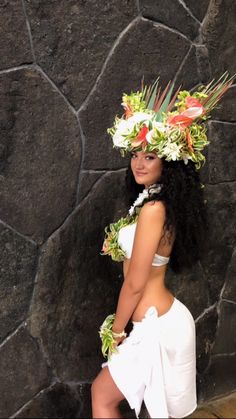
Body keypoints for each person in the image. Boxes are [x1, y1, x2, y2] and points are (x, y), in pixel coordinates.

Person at [91, 74, 233, 419]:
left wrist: (118, 330)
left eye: (150, 156)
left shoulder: (154, 210)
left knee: (102, 395)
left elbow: (136, 282)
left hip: (158, 326)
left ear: (168, 162)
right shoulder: (152, 201)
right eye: (136, 154)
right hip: (161, 322)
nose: (139, 162)